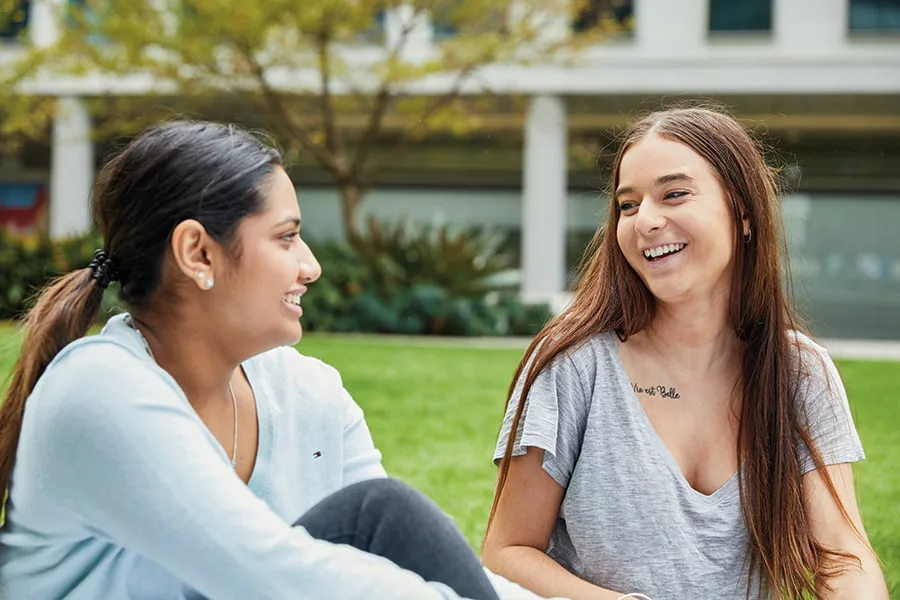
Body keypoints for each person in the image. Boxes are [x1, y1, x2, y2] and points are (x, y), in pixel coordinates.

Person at [0, 121, 561, 600]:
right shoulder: (101, 388)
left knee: (379, 514)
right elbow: (272, 575)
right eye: (286, 237)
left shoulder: (308, 392)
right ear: (198, 252)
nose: (311, 266)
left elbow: (402, 559)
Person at [481, 107, 889, 600]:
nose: (645, 221)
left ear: (742, 213)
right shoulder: (571, 362)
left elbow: (843, 556)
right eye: (627, 206)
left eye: (674, 194)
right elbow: (507, 553)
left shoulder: (800, 372)